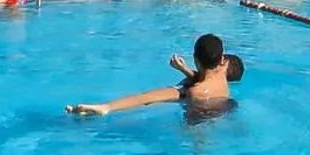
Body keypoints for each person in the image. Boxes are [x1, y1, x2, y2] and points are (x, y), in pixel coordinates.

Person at [67, 33, 241, 116]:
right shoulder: (222, 74)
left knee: (147, 97)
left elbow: (146, 98)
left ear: (196, 59)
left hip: (195, 106)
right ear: (221, 61)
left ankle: (106, 107)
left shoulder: (193, 91)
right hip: (222, 107)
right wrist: (183, 69)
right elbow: (204, 78)